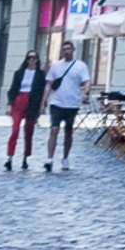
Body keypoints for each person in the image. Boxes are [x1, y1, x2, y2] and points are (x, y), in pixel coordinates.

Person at [43, 40, 90, 172]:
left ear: (73, 50)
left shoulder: (80, 66)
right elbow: (49, 84)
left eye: (68, 49)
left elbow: (86, 81)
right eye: (64, 49)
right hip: (56, 103)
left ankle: (65, 158)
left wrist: (86, 93)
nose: (66, 51)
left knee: (68, 132)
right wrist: (44, 101)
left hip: (72, 104)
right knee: (54, 130)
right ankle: (49, 159)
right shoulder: (55, 66)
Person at [4, 51, 46, 170]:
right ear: (26, 59)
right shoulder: (19, 73)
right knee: (15, 130)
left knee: (29, 131)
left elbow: (42, 91)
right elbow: (13, 89)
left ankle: (25, 157)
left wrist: (42, 106)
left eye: (34, 58)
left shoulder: (40, 74)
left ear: (37, 60)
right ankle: (10, 157)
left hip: (32, 103)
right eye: (29, 58)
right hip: (19, 101)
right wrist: (9, 104)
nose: (32, 60)